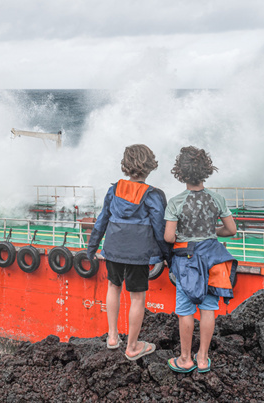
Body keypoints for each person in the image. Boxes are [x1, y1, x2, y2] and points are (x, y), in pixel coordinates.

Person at [86, 144, 171, 361]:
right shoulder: (153, 195)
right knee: (137, 297)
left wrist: (92, 248)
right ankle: (133, 346)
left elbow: (101, 220)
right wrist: (168, 256)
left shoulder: (114, 190)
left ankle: (113, 337)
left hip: (113, 248)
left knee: (113, 287)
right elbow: (160, 230)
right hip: (138, 252)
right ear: (150, 166)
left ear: (125, 165)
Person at [163, 146, 237, 374]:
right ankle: (203, 358)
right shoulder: (217, 199)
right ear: (206, 171)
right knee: (208, 308)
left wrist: (183, 236)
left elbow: (168, 236)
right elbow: (231, 230)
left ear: (181, 173)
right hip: (213, 258)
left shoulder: (176, 202)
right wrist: (212, 233)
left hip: (187, 261)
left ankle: (185, 358)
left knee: (185, 310)